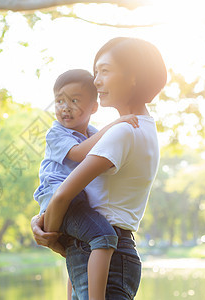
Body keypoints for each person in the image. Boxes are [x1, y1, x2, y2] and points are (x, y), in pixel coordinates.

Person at [32, 37, 167, 299]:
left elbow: (62, 195)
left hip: (105, 249)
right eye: (96, 72)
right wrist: (43, 221)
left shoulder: (124, 131)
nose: (96, 81)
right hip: (97, 249)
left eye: (104, 71)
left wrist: (48, 232)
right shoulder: (140, 128)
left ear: (133, 77)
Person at [34, 69, 139, 300]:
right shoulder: (56, 133)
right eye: (59, 100)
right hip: (58, 197)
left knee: (77, 248)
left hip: (75, 200)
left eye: (74, 100)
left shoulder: (91, 133)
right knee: (104, 237)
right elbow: (79, 154)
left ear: (93, 107)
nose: (65, 107)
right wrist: (117, 124)